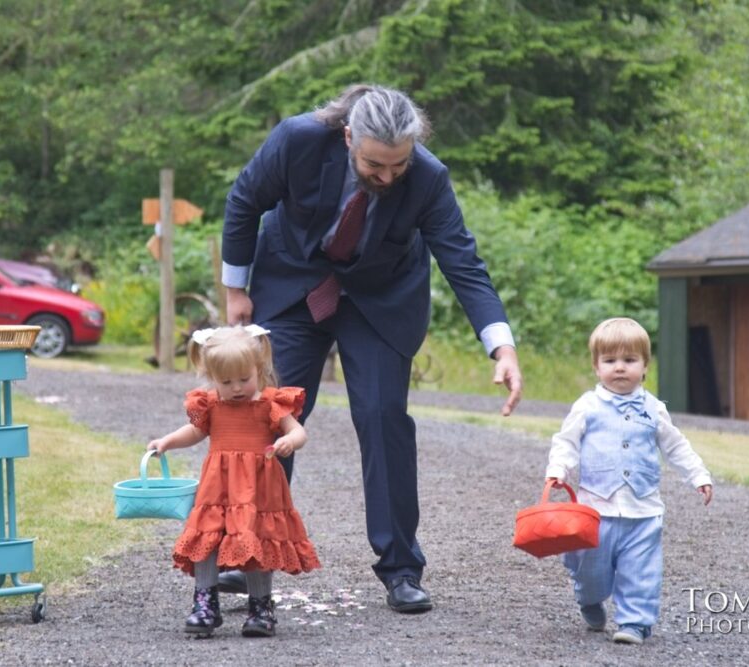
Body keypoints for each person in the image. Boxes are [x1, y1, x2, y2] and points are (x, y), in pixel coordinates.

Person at [219, 84, 523, 613]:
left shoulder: (428, 177)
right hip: (293, 285)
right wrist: (235, 291)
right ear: (347, 139)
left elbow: (462, 261)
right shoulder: (297, 140)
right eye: (374, 165)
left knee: (383, 418)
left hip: (379, 300)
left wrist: (502, 347)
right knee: (269, 414)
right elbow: (244, 201)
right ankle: (249, 554)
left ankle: (401, 568)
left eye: (398, 165)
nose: (387, 177)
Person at [545, 317, 713, 645]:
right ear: (596, 367)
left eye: (630, 360)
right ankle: (589, 599)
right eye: (610, 361)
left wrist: (698, 475)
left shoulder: (654, 409)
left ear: (645, 366)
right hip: (596, 510)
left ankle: (635, 622)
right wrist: (558, 469)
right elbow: (566, 442)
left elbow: (675, 445)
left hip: (643, 511)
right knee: (591, 573)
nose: (620, 367)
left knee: (641, 571)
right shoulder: (587, 406)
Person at [146, 324, 321, 638]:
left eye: (244, 379)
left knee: (257, 540)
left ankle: (260, 607)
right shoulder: (210, 403)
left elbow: (298, 431)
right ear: (212, 377)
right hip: (218, 489)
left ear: (259, 368)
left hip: (259, 489)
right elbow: (196, 432)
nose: (237, 388)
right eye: (226, 382)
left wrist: (289, 441)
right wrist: (167, 441)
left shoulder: (270, 402)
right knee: (208, 539)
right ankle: (205, 604)